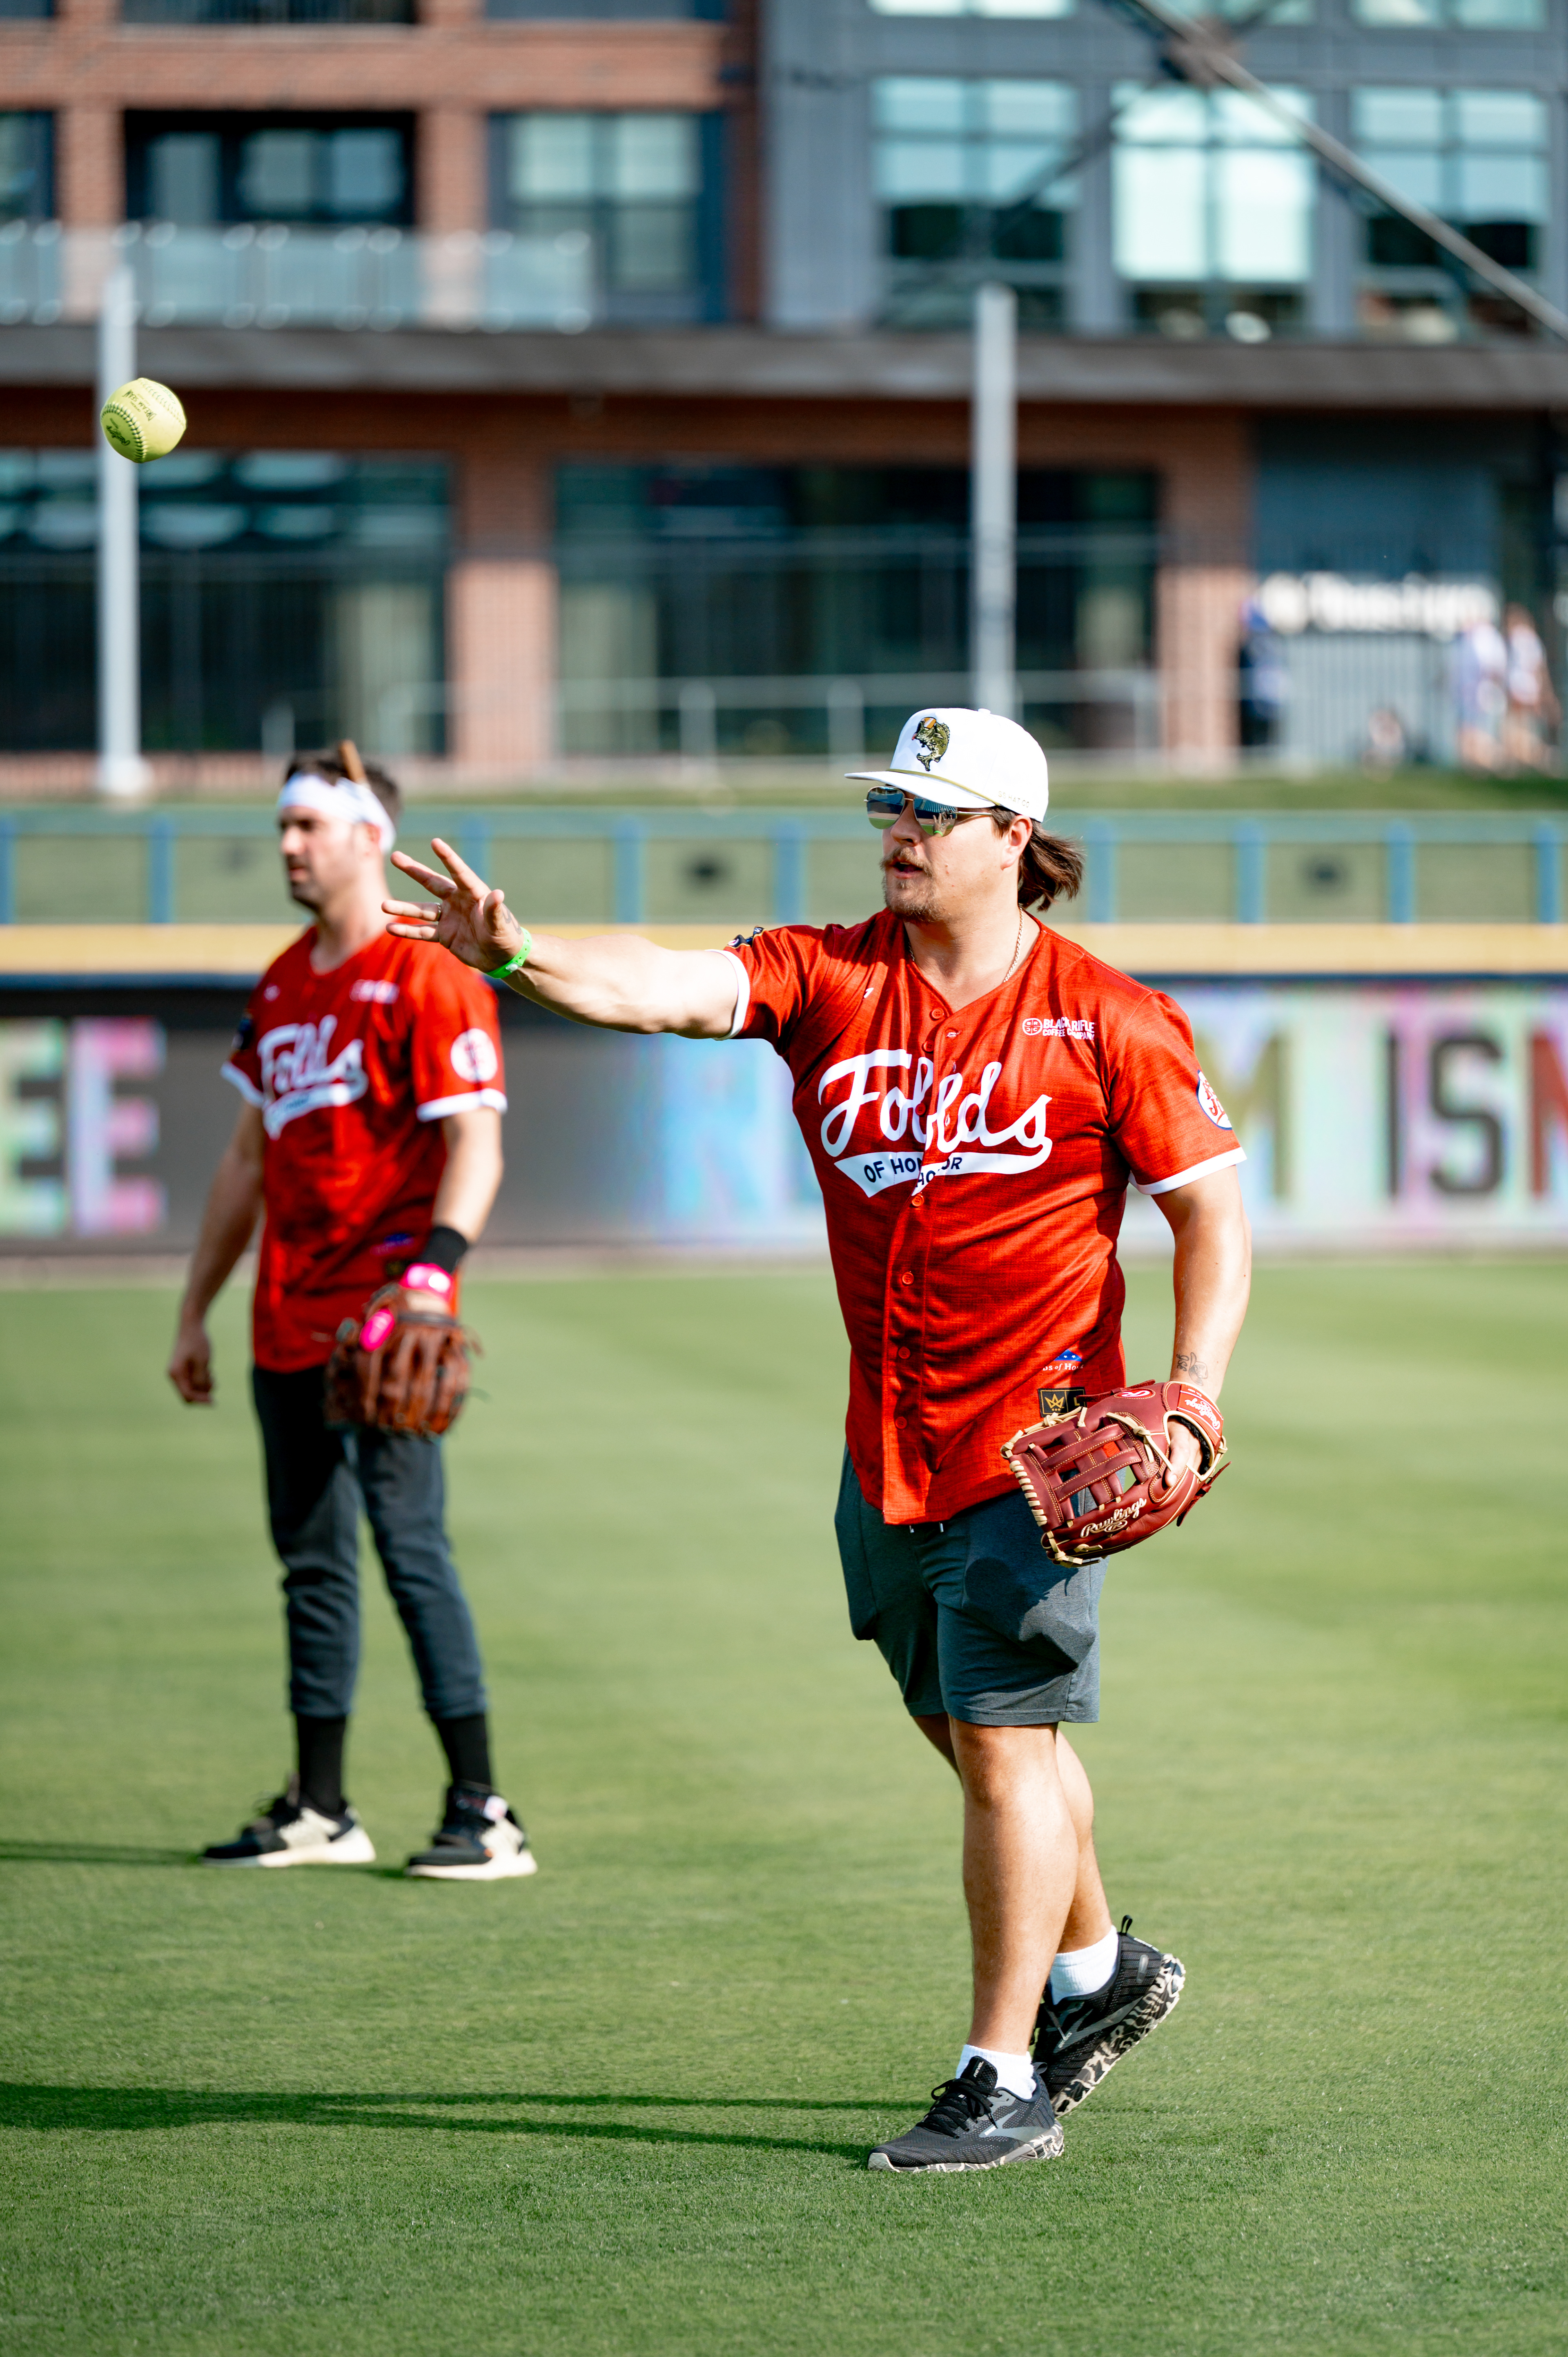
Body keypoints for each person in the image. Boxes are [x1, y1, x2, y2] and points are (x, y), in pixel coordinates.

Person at [384, 707, 1252, 2170]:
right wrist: (517, 955)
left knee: (1001, 1739)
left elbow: (1212, 1211)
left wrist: (1192, 1386)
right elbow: (664, 984)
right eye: (887, 802)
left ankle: (1003, 2074)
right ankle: (1100, 1971)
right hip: (886, 1439)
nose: (898, 828)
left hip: (1036, 1448)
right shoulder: (830, 973)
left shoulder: (1110, 1016)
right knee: (967, 1726)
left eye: (931, 807)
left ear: (1014, 843)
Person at [167, 745, 537, 1882]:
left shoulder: (426, 974)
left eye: (309, 826)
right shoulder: (282, 984)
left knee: (410, 1548)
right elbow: (245, 1160)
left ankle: (485, 1808)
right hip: (285, 1314)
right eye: (282, 827)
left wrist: (433, 1272)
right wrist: (195, 1310)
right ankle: (319, 1805)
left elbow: (476, 1136)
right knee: (311, 1563)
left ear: (370, 837)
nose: (289, 845)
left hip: (384, 1313)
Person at [1502, 603, 1558, 774]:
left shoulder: (1517, 639)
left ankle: (1544, 758)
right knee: (1524, 731)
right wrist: (1545, 694)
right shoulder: (1533, 639)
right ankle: (1541, 758)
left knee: (1516, 732)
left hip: (1518, 689)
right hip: (1530, 691)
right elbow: (1540, 669)